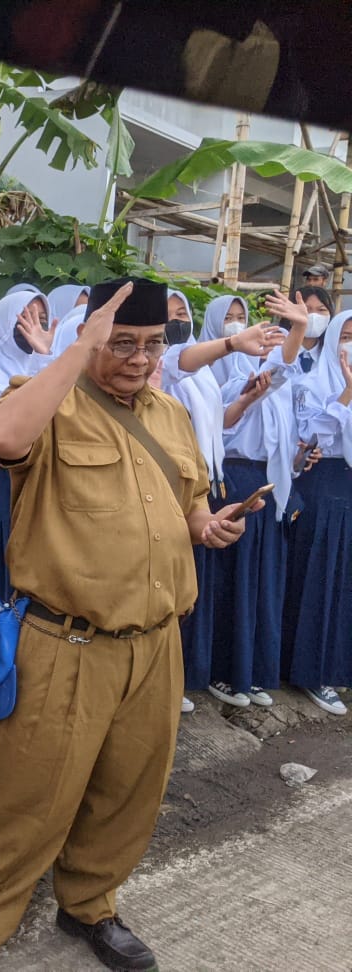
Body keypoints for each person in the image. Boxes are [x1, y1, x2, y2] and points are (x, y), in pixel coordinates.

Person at [0, 278, 255, 972]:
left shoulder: (169, 415)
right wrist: (80, 348)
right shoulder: (47, 400)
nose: (140, 359)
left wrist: (206, 526)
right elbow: (2, 437)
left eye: (151, 345)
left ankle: (89, 903)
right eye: (123, 345)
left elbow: (189, 502)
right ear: (90, 339)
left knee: (128, 793)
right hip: (65, 644)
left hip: (155, 645)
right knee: (26, 797)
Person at [159, 291, 285, 709]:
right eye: (169, 314)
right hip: (171, 483)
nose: (178, 320)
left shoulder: (203, 376)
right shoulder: (166, 365)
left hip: (207, 482)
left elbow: (217, 424)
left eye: (182, 313)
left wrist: (247, 399)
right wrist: (232, 343)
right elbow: (177, 360)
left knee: (194, 585)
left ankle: (181, 673)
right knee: (170, 581)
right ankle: (162, 678)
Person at [199, 294, 306, 709]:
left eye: (242, 319)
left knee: (262, 582)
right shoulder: (222, 376)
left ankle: (252, 672)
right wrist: (298, 330)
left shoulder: (275, 383)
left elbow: (280, 372)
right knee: (233, 582)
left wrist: (295, 329)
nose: (238, 327)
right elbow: (227, 420)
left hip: (268, 484)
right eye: (229, 320)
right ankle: (225, 672)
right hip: (233, 481)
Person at [286, 311, 352, 715]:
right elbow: (313, 436)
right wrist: (347, 392)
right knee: (318, 578)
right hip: (322, 484)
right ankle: (310, 672)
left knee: (343, 582)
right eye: (345, 334)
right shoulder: (311, 383)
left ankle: (337, 667)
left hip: (348, 486)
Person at [0, 291, 54, 608]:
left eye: (42, 319)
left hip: (36, 484)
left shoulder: (45, 366)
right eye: (25, 317)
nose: (34, 325)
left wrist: (45, 354)